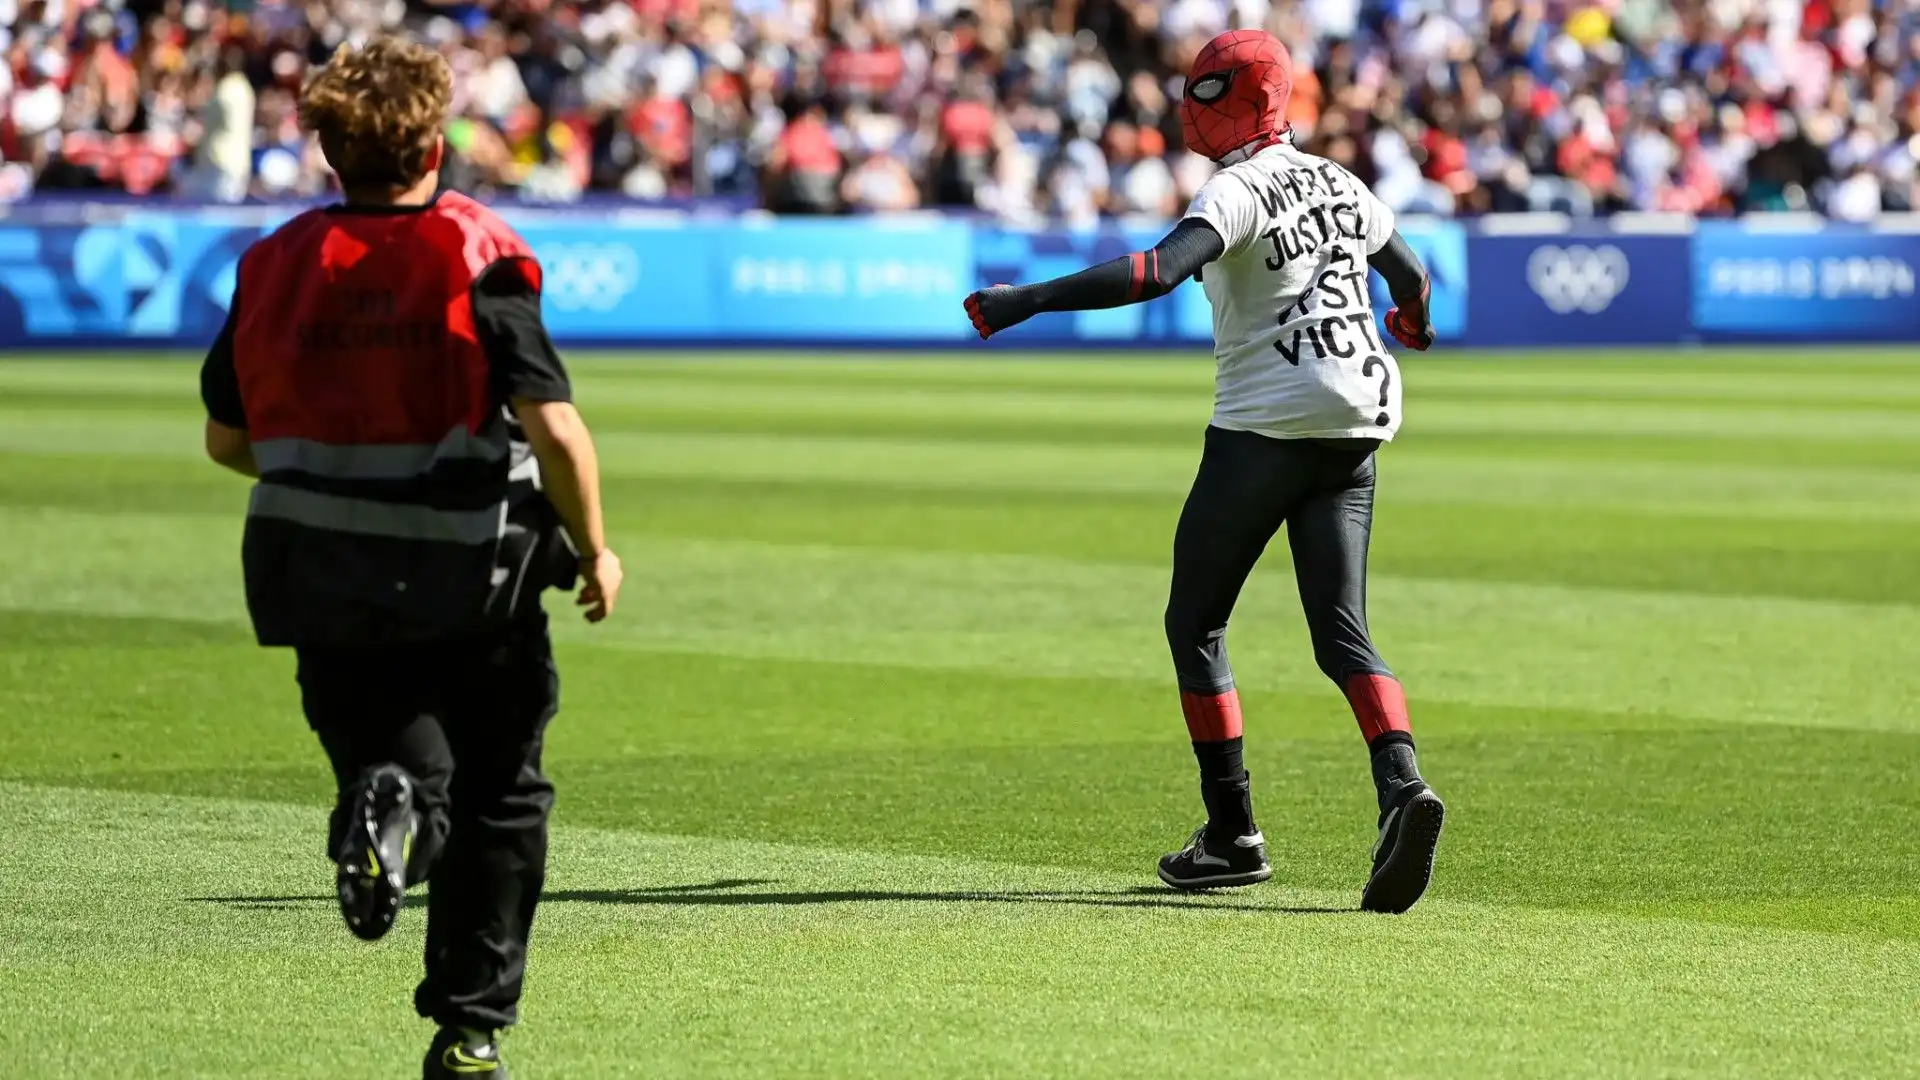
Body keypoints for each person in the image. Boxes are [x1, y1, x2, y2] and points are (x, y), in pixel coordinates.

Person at [197, 36, 623, 1078]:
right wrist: (598, 550)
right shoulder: (475, 251)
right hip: (466, 570)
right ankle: (470, 1028)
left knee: (402, 776)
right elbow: (554, 427)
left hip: (315, 573)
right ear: (436, 140)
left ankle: (383, 819)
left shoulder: (274, 261)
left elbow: (225, 438)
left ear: (330, 150)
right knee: (501, 793)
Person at [963, 29, 1445, 914]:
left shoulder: (1237, 189)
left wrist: (1025, 300)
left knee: (1196, 623)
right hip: (1360, 422)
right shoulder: (1340, 179)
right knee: (1344, 632)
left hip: (1267, 425)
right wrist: (1411, 323)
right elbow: (1411, 276)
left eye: (1202, 91)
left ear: (1232, 99)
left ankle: (1232, 835)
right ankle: (1402, 786)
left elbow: (1154, 271)